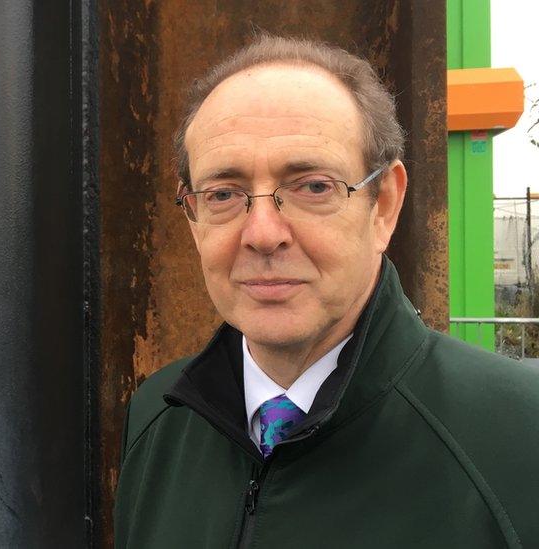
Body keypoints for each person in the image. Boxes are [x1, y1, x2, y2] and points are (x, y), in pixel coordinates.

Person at [114, 35, 539, 548]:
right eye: (224, 194)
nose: (263, 233)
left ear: (383, 206)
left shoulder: (518, 436)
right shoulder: (157, 418)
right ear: (193, 218)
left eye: (313, 186)